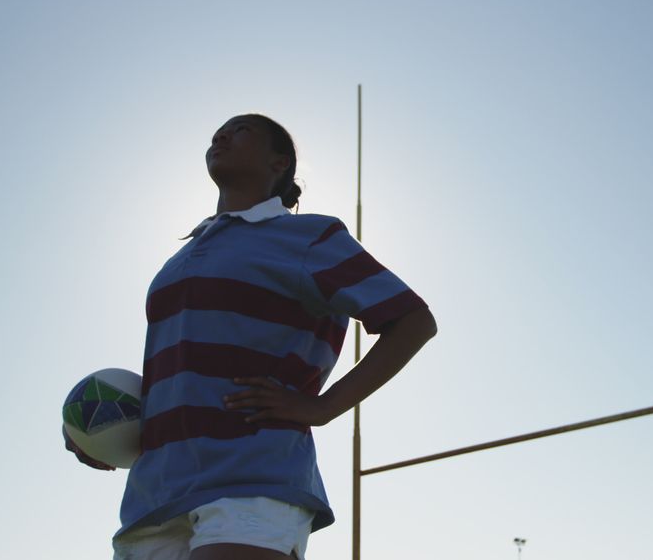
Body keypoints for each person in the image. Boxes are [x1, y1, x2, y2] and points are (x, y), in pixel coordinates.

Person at [65, 113, 437, 559]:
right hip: (155, 494)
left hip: (253, 475)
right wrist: (100, 431)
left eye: (241, 130)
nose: (221, 135)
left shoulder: (307, 236)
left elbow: (413, 321)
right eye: (218, 131)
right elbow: (183, 366)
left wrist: (321, 407)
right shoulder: (182, 256)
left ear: (279, 162)